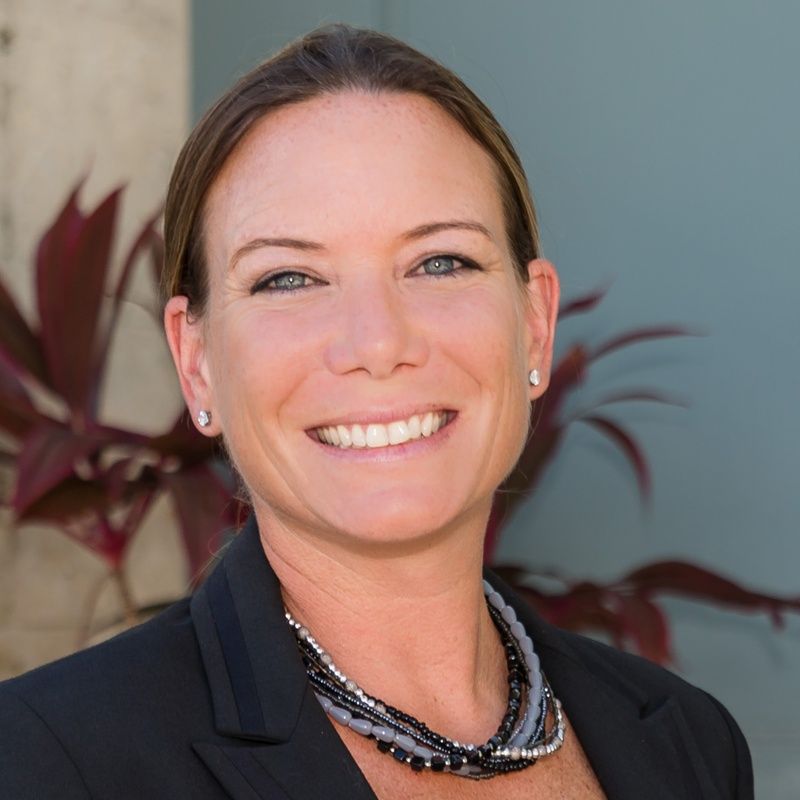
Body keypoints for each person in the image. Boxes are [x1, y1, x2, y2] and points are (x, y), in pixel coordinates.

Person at [0, 24, 752, 799]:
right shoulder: (48, 763)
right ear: (197, 364)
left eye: (440, 262)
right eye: (289, 278)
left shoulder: (690, 745)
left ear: (534, 322)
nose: (378, 341)